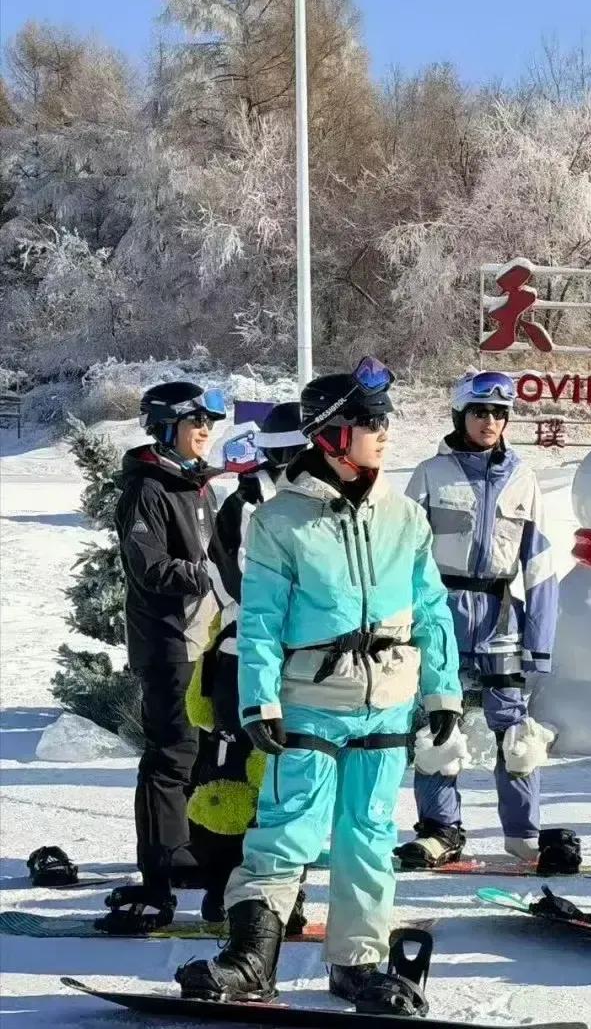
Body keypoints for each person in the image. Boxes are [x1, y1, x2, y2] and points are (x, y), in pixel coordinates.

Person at [176, 358, 461, 1015]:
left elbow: (431, 609)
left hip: (388, 698)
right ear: (331, 435)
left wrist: (443, 690)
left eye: (385, 419)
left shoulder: (404, 517)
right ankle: (251, 959)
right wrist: (258, 697)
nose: (384, 431)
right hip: (309, 699)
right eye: (368, 421)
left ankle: (357, 964)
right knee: (287, 833)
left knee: (367, 836)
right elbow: (261, 622)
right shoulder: (284, 521)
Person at [396, 370, 563, 870]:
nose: (489, 421)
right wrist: (399, 626)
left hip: (500, 620)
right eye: (479, 412)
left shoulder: (523, 477)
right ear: (460, 416)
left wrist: (541, 640)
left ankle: (522, 833)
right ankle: (440, 830)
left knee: (517, 734)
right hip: (437, 616)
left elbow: (540, 563)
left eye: (498, 413)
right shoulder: (429, 473)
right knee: (436, 729)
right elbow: (400, 554)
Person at [100, 381, 226, 934]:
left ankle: (185, 854)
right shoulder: (147, 488)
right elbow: (149, 568)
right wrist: (209, 574)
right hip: (167, 640)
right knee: (170, 754)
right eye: (194, 420)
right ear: (165, 426)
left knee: (200, 753)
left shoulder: (198, 486)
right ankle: (156, 876)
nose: (205, 430)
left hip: (204, 636)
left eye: (209, 421)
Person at [186, 402, 309, 925]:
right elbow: (233, 582)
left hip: (304, 664)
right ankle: (221, 889)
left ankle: (281, 894)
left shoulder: (322, 506)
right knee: (231, 774)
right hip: (243, 658)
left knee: (291, 778)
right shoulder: (245, 503)